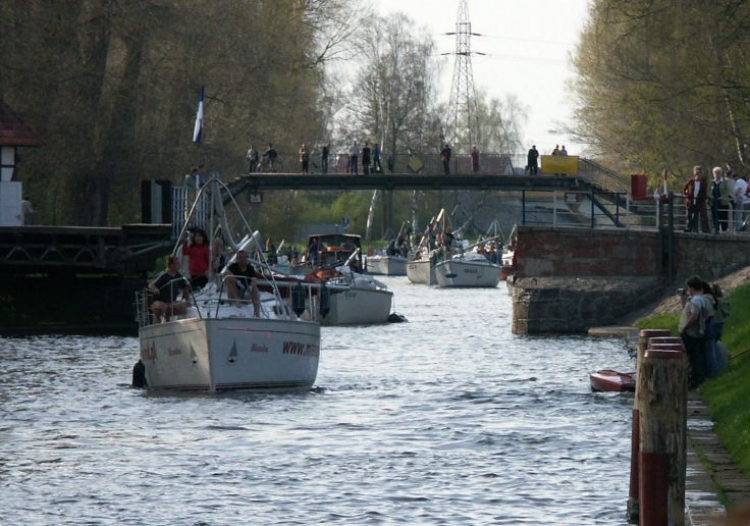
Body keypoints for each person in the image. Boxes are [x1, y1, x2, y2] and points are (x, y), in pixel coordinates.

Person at [678, 275, 710, 389]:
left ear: (692, 287)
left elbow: (694, 317)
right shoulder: (697, 299)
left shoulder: (696, 300)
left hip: (692, 333)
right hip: (694, 333)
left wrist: (684, 328)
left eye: (689, 288)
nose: (688, 290)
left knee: (693, 357)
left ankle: (695, 381)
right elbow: (687, 312)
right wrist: (684, 299)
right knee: (695, 356)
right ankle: (696, 379)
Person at [148, 256, 190, 323]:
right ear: (171, 265)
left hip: (171, 302)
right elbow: (151, 285)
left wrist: (186, 299)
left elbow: (185, 286)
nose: (179, 265)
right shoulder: (163, 275)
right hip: (160, 300)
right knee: (159, 307)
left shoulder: (178, 276)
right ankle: (157, 322)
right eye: (177, 263)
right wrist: (155, 289)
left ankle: (167, 319)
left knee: (183, 307)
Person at [225, 250, 260, 316]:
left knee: (255, 288)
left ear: (246, 258)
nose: (242, 259)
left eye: (244, 257)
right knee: (228, 279)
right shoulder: (233, 266)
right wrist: (237, 282)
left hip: (246, 292)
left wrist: (250, 287)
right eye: (240, 257)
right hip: (235, 292)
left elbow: (254, 279)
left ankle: (258, 313)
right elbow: (226, 273)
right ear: (237, 259)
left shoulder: (250, 268)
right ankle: (237, 300)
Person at [683, 166, 707, 233]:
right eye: (697, 174)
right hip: (690, 201)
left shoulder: (703, 183)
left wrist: (702, 198)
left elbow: (704, 192)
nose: (698, 176)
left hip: (698, 201)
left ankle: (695, 228)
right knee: (689, 215)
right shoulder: (691, 181)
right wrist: (686, 196)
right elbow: (684, 189)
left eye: (699, 174)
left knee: (696, 216)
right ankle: (689, 227)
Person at [709, 166, 732, 234]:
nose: (717, 174)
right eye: (715, 173)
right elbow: (708, 191)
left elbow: (727, 191)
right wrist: (711, 196)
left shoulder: (724, 182)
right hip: (714, 202)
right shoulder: (711, 182)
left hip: (723, 202)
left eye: (718, 173)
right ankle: (716, 229)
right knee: (715, 216)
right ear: (713, 174)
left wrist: (722, 197)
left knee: (723, 216)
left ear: (720, 173)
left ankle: (724, 230)